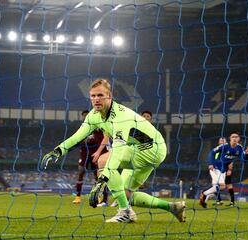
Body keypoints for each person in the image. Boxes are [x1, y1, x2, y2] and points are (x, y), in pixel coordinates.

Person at [41, 78, 185, 223]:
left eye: (100, 95)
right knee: (123, 193)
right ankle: (173, 208)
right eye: (93, 96)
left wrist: (102, 180)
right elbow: (78, 136)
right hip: (136, 148)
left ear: (109, 96)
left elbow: (118, 152)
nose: (96, 99)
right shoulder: (94, 116)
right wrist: (58, 151)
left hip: (152, 149)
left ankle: (125, 213)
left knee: (104, 161)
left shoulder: (121, 117)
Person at [200, 131, 248, 208]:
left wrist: (247, 154)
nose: (234, 138)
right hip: (215, 167)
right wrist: (210, 163)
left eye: (236, 137)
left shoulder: (239, 148)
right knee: (222, 186)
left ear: (239, 139)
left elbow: (244, 160)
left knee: (219, 187)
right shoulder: (224, 146)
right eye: (233, 137)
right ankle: (204, 195)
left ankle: (204, 197)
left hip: (223, 170)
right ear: (230, 139)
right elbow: (212, 152)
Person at [73, 110, 109, 205]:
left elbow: (104, 137)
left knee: (99, 176)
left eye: (86, 115)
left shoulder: (98, 125)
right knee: (81, 172)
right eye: (83, 116)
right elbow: (77, 139)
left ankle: (102, 197)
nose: (85, 117)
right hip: (85, 153)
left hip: (97, 152)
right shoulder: (82, 127)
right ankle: (78, 196)